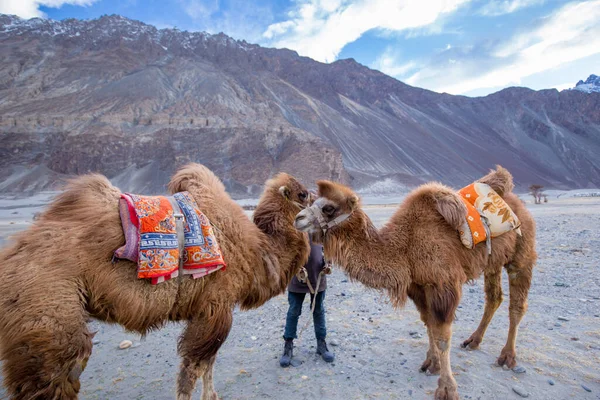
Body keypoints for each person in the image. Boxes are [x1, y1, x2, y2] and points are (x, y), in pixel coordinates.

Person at [280, 235, 334, 367]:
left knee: (318, 310)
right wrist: (293, 266)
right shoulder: (294, 226)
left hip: (318, 277)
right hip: (297, 278)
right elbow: (285, 250)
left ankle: (321, 344)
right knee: (293, 311)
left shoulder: (320, 227)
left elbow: (328, 248)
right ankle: (288, 345)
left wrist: (328, 263)